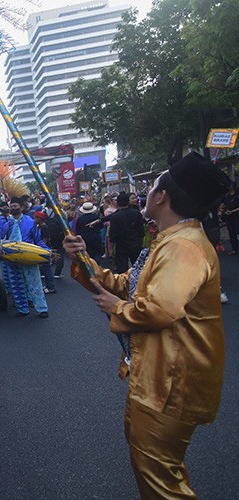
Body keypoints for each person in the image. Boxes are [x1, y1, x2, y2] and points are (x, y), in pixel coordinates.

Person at [63, 152, 229, 499]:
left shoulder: (183, 246)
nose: (145, 191)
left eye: (151, 185)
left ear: (162, 196)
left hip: (172, 381)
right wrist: (84, 260)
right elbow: (126, 283)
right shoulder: (171, 239)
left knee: (160, 480)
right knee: (156, 469)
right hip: (157, 375)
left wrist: (119, 309)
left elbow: (160, 309)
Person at [0, 196, 50, 318]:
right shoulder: (7, 225)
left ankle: (42, 308)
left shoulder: (30, 222)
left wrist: (47, 251)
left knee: (35, 283)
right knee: (16, 284)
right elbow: (1, 241)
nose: (13, 208)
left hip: (28, 256)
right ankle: (23, 309)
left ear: (21, 207)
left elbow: (38, 240)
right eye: (11, 206)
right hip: (11, 258)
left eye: (15, 206)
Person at [109, 192, 146, 273]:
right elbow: (141, 230)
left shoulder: (115, 216)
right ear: (128, 201)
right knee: (137, 269)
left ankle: (124, 284)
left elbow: (112, 234)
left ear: (118, 203)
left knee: (122, 270)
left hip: (121, 245)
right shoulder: (136, 213)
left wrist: (111, 248)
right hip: (135, 243)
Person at [221, 184, 239, 255]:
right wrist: (222, 210)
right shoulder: (225, 196)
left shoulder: (237, 196)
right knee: (231, 233)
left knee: (237, 230)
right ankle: (235, 249)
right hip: (229, 217)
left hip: (237, 216)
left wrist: (233, 211)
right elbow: (222, 205)